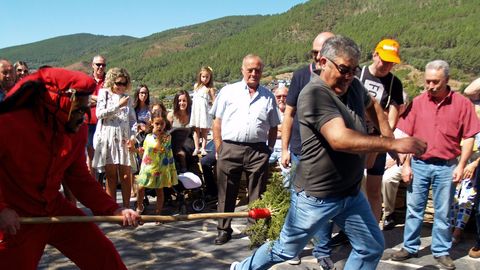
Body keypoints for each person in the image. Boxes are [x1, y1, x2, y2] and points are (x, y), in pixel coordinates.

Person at [231, 36, 426, 270]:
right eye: (343, 69)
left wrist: (388, 134)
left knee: (371, 246)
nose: (348, 76)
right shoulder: (314, 94)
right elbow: (339, 139)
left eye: (353, 70)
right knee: (285, 250)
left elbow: (372, 104)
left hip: (350, 193)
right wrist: (391, 145)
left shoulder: (353, 84)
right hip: (316, 197)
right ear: (324, 61)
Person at [0, 67, 140, 269]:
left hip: (55, 208)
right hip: (18, 218)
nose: (84, 115)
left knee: (103, 256)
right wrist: (2, 210)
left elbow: (80, 180)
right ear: (58, 101)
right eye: (79, 108)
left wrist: (115, 209)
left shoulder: (77, 129)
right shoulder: (9, 123)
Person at [391, 60, 480, 270]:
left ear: (447, 80)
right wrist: (405, 164)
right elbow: (406, 136)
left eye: (435, 82)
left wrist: (462, 165)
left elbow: (469, 137)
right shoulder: (418, 102)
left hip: (447, 165)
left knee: (442, 211)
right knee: (414, 209)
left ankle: (441, 251)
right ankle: (410, 247)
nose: (430, 86)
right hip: (419, 163)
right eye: (427, 81)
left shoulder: (462, 104)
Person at [280, 31, 339, 266]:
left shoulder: (339, 78)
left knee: (324, 203)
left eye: (321, 53)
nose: (316, 58)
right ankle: (293, 247)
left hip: (327, 155)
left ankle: (322, 251)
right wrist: (284, 149)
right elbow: (289, 113)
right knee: (298, 201)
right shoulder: (300, 75)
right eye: (313, 53)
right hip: (300, 151)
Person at [211, 54, 280, 245]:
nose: (254, 73)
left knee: (257, 194)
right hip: (230, 148)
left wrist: (269, 149)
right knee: (226, 193)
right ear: (242, 70)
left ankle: (255, 230)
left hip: (258, 150)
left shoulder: (268, 96)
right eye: (250, 69)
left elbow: (274, 126)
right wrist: (219, 147)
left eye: (258, 70)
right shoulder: (228, 91)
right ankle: (224, 230)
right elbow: (217, 121)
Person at [358, 38, 404, 224]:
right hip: (353, 139)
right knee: (351, 189)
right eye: (384, 60)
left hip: (378, 141)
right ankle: (350, 232)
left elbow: (391, 121)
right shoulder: (357, 75)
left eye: (391, 62)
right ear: (374, 54)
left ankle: (373, 233)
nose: (387, 65)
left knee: (374, 191)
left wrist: (379, 142)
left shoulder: (395, 84)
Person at [92, 67, 137, 208]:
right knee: (111, 176)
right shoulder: (104, 94)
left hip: (124, 138)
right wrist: (118, 105)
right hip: (108, 137)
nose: (121, 86)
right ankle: (112, 209)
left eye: (124, 83)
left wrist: (133, 137)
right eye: (118, 83)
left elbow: (133, 120)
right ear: (112, 81)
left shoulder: (127, 98)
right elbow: (99, 114)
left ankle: (127, 207)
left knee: (125, 175)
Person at [135, 112, 178, 217]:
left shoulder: (167, 137)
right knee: (140, 188)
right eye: (157, 124)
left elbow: (159, 149)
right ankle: (139, 206)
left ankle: (158, 213)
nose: (159, 126)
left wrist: (158, 137)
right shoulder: (148, 136)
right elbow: (143, 151)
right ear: (152, 124)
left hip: (160, 168)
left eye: (162, 124)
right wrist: (134, 149)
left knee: (159, 190)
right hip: (147, 167)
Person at [86, 55, 107, 178]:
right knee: (91, 155)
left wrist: (93, 99)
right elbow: (84, 100)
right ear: (92, 65)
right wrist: (100, 99)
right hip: (89, 122)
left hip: (104, 122)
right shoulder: (87, 81)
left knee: (104, 154)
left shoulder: (109, 81)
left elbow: (110, 100)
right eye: (98, 64)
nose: (100, 67)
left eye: (103, 65)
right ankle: (92, 182)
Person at [190, 66, 216, 156]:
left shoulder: (210, 89)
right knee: (196, 130)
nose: (205, 79)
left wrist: (213, 110)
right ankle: (197, 147)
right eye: (203, 77)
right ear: (200, 76)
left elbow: (214, 101)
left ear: (210, 77)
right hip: (196, 111)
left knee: (204, 131)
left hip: (205, 112)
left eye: (207, 77)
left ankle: (203, 148)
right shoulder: (196, 86)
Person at [167, 90, 193, 173]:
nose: (182, 103)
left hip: (188, 142)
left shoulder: (192, 115)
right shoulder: (171, 115)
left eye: (184, 100)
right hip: (174, 142)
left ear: (188, 101)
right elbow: (166, 132)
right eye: (179, 101)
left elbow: (196, 132)